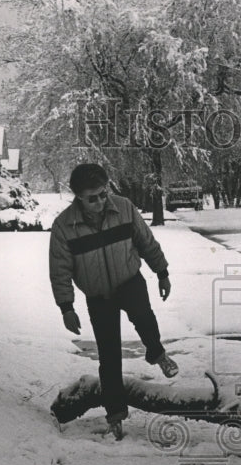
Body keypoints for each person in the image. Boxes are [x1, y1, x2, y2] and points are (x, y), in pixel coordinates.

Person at [49, 163, 178, 439]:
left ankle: (157, 353)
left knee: (144, 318)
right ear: (79, 198)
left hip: (130, 281)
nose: (99, 201)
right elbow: (59, 269)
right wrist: (66, 307)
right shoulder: (64, 227)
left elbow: (146, 242)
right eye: (92, 198)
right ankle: (115, 416)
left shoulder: (124, 208)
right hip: (98, 296)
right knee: (109, 356)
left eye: (103, 194)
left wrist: (162, 273)